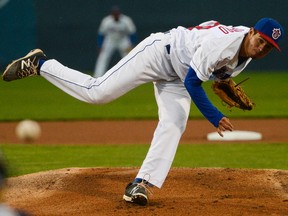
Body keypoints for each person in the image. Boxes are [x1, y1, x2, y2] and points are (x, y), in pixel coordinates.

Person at [2, 17, 284, 206]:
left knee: (174, 123)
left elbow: (207, 31)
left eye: (268, 47)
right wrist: (215, 116)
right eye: (260, 40)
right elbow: (193, 82)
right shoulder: (224, 44)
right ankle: (41, 64)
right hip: (159, 54)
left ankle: (141, 183)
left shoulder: (244, 52)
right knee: (98, 93)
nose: (262, 48)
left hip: (178, 74)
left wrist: (219, 77)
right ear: (251, 32)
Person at [93, 6, 137, 77]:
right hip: (110, 40)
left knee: (129, 57)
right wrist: (100, 45)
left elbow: (132, 33)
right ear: (112, 14)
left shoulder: (126, 20)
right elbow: (101, 34)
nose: (115, 15)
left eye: (117, 13)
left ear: (119, 13)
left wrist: (131, 44)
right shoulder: (106, 20)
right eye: (114, 13)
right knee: (103, 57)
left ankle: (131, 75)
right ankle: (98, 76)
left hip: (123, 40)